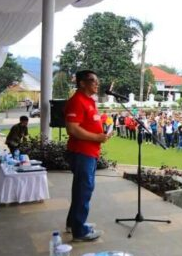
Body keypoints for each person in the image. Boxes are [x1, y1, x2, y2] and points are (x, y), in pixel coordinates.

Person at [65, 70, 110, 241]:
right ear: (82, 83)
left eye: (97, 81)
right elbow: (73, 128)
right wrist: (97, 137)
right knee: (84, 190)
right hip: (82, 152)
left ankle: (73, 223)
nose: (96, 84)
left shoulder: (89, 101)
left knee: (80, 189)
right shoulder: (77, 101)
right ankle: (79, 231)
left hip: (90, 152)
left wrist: (101, 134)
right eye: (92, 81)